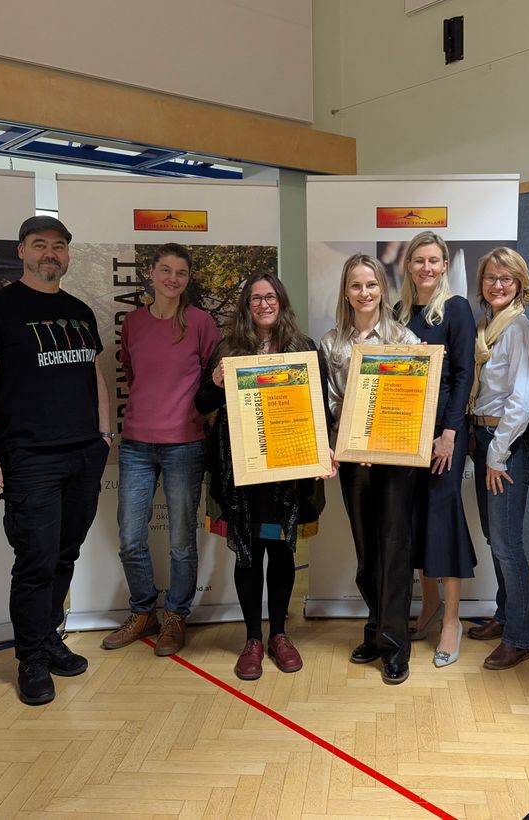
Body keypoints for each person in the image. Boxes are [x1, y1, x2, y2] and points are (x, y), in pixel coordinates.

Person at [0, 215, 111, 706]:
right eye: (40, 244)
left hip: (84, 453)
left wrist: (104, 435)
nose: (51, 253)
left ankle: (49, 639)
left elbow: (94, 377)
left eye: (59, 246)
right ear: (22, 251)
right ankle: (30, 658)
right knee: (36, 561)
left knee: (65, 555)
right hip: (30, 458)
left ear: (67, 254)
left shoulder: (78, 310)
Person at [196, 272, 330, 681]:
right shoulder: (227, 348)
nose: (263, 304)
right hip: (241, 472)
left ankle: (280, 635)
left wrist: (322, 450)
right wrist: (217, 383)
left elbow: (320, 409)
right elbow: (201, 403)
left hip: (287, 475)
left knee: (282, 550)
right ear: (246, 305)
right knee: (248, 551)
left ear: (281, 301)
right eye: (255, 298)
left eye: (270, 296)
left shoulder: (304, 348)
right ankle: (253, 638)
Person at [101, 245, 220, 656]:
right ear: (150, 274)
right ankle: (142, 610)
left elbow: (211, 383)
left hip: (185, 445)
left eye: (181, 272)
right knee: (131, 537)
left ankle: (175, 615)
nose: (172, 278)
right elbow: (132, 373)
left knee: (181, 541)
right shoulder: (132, 323)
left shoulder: (202, 323)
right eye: (165, 270)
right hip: (135, 443)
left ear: (188, 279)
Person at [320, 254, 420, 685]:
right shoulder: (330, 344)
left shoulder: (406, 341)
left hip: (394, 459)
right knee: (367, 552)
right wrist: (342, 443)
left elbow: (415, 402)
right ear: (346, 291)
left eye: (372, 285)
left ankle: (396, 646)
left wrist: (377, 440)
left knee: (394, 549)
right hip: (351, 459)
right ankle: (376, 629)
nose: (364, 293)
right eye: (356, 285)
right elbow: (327, 404)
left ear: (384, 289)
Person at [396, 231, 476, 668]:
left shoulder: (457, 309)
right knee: (415, 520)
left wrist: (449, 432)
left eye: (434, 260)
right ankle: (426, 608)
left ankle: (451, 620)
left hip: (444, 432)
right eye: (418, 260)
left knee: (442, 519)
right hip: (406, 433)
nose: (426, 267)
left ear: (445, 265)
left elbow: (463, 375)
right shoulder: (399, 312)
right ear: (408, 266)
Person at [467, 247, 529, 670]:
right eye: (491, 278)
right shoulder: (487, 326)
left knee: (509, 544)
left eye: (506, 279)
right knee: (497, 538)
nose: (497, 285)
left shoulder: (519, 329)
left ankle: (519, 637)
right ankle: (505, 613)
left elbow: (521, 399)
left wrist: (497, 453)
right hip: (484, 435)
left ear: (520, 285)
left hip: (505, 443)